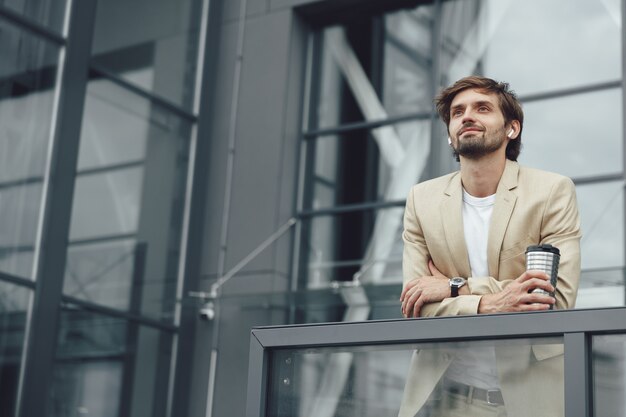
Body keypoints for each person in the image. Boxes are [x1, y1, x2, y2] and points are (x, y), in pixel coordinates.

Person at [397, 76, 581, 417]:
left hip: (530, 402)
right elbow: (417, 307)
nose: (467, 116)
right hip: (444, 401)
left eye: (482, 108)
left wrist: (453, 287)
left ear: (512, 128)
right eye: (457, 112)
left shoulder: (552, 191)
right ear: (450, 132)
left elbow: (556, 300)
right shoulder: (421, 200)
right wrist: (494, 301)